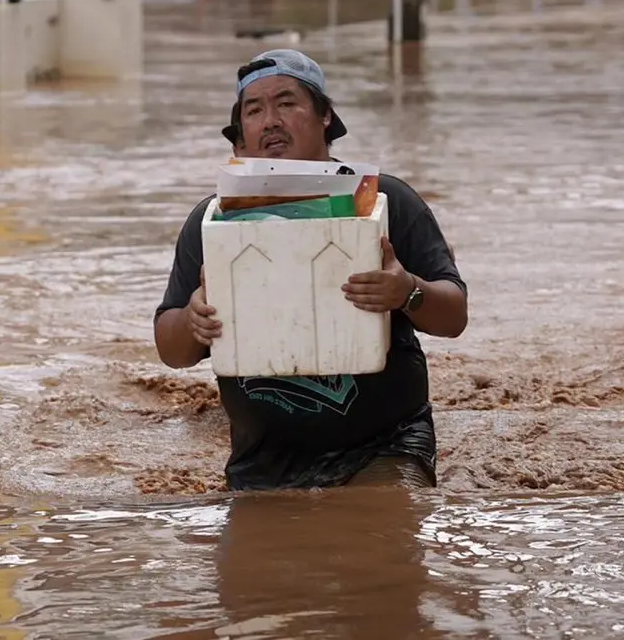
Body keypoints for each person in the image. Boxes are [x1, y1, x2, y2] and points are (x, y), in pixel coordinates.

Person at [153, 49, 468, 491]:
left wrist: (408, 291)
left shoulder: (385, 202)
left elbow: (454, 317)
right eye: (254, 110)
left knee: (389, 522)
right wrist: (193, 320)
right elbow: (172, 351)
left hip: (385, 446)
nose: (271, 121)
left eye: (287, 103)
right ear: (241, 134)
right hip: (262, 463)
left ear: (325, 117)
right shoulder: (213, 223)